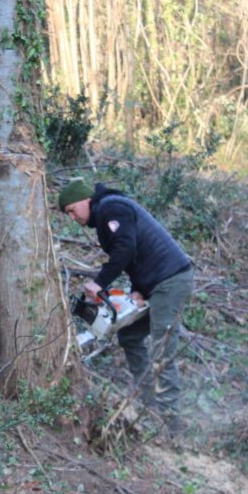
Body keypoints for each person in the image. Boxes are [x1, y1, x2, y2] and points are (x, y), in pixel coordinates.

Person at [58, 179, 194, 428]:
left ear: (84, 200)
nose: (72, 217)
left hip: (170, 281)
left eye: (71, 210)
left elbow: (126, 248)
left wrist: (99, 283)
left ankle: (170, 423)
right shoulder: (105, 214)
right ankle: (148, 404)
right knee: (130, 336)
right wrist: (138, 291)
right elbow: (137, 255)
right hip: (157, 282)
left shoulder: (111, 207)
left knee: (162, 349)